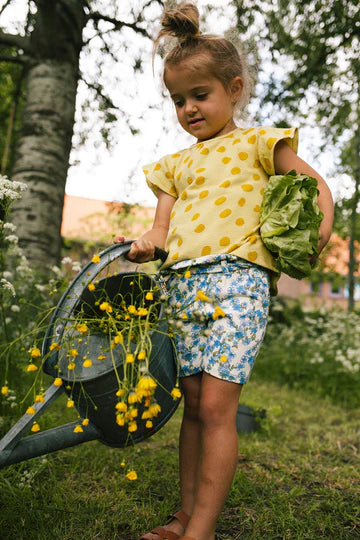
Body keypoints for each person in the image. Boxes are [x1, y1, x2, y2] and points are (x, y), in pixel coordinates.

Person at [114, 3, 334, 539]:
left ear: (234, 88)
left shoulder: (261, 143)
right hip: (183, 287)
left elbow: (318, 191)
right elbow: (162, 232)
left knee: (216, 404)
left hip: (238, 283)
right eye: (178, 100)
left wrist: (313, 238)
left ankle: (202, 528)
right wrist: (142, 247)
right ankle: (184, 516)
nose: (189, 108)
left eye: (200, 94)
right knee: (192, 403)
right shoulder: (174, 166)